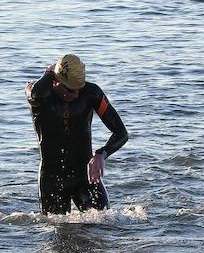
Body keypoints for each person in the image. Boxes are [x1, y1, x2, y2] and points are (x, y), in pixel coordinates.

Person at [25, 54, 129, 215]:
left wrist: (102, 154)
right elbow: (34, 94)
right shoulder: (40, 94)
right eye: (70, 89)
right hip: (52, 179)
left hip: (85, 176)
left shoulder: (92, 93)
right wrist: (49, 72)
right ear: (56, 80)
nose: (75, 95)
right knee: (56, 233)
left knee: (105, 223)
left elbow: (121, 133)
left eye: (79, 89)